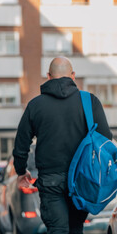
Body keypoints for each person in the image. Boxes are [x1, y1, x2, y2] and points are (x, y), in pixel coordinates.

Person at [13, 56, 113, 234]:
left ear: (48, 76)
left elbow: (21, 146)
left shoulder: (35, 106)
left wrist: (21, 171)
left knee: (57, 229)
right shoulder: (90, 102)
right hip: (83, 180)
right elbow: (105, 139)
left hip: (50, 181)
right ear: (73, 75)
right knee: (76, 228)